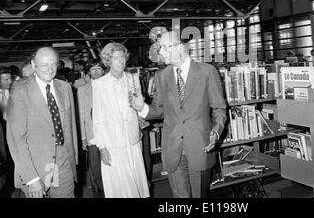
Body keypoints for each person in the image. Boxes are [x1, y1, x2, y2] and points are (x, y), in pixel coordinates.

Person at [134, 31, 227, 198]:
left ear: (179, 48)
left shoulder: (207, 71)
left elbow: (219, 108)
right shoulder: (161, 76)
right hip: (173, 149)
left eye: (162, 47)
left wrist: (215, 132)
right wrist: (143, 108)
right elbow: (159, 109)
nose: (159, 52)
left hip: (200, 146)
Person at [6, 47, 78, 198]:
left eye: (53, 64)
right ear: (34, 65)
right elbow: (16, 138)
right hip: (36, 167)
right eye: (44, 64)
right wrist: (31, 179)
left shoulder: (65, 88)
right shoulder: (20, 91)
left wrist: (74, 162)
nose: (49, 69)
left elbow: (71, 127)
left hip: (64, 164)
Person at [92, 43, 149, 198]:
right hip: (112, 142)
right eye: (116, 58)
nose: (120, 61)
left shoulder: (133, 79)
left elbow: (139, 108)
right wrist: (101, 146)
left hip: (132, 139)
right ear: (108, 61)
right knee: (119, 185)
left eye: (122, 57)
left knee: (136, 181)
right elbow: (97, 119)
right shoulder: (99, 84)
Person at [77, 59, 105, 198]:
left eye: (99, 68)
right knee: (95, 171)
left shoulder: (110, 87)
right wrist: (83, 137)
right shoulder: (82, 90)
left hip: (110, 134)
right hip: (92, 135)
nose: (96, 71)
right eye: (93, 69)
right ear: (88, 72)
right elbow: (81, 114)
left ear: (103, 70)